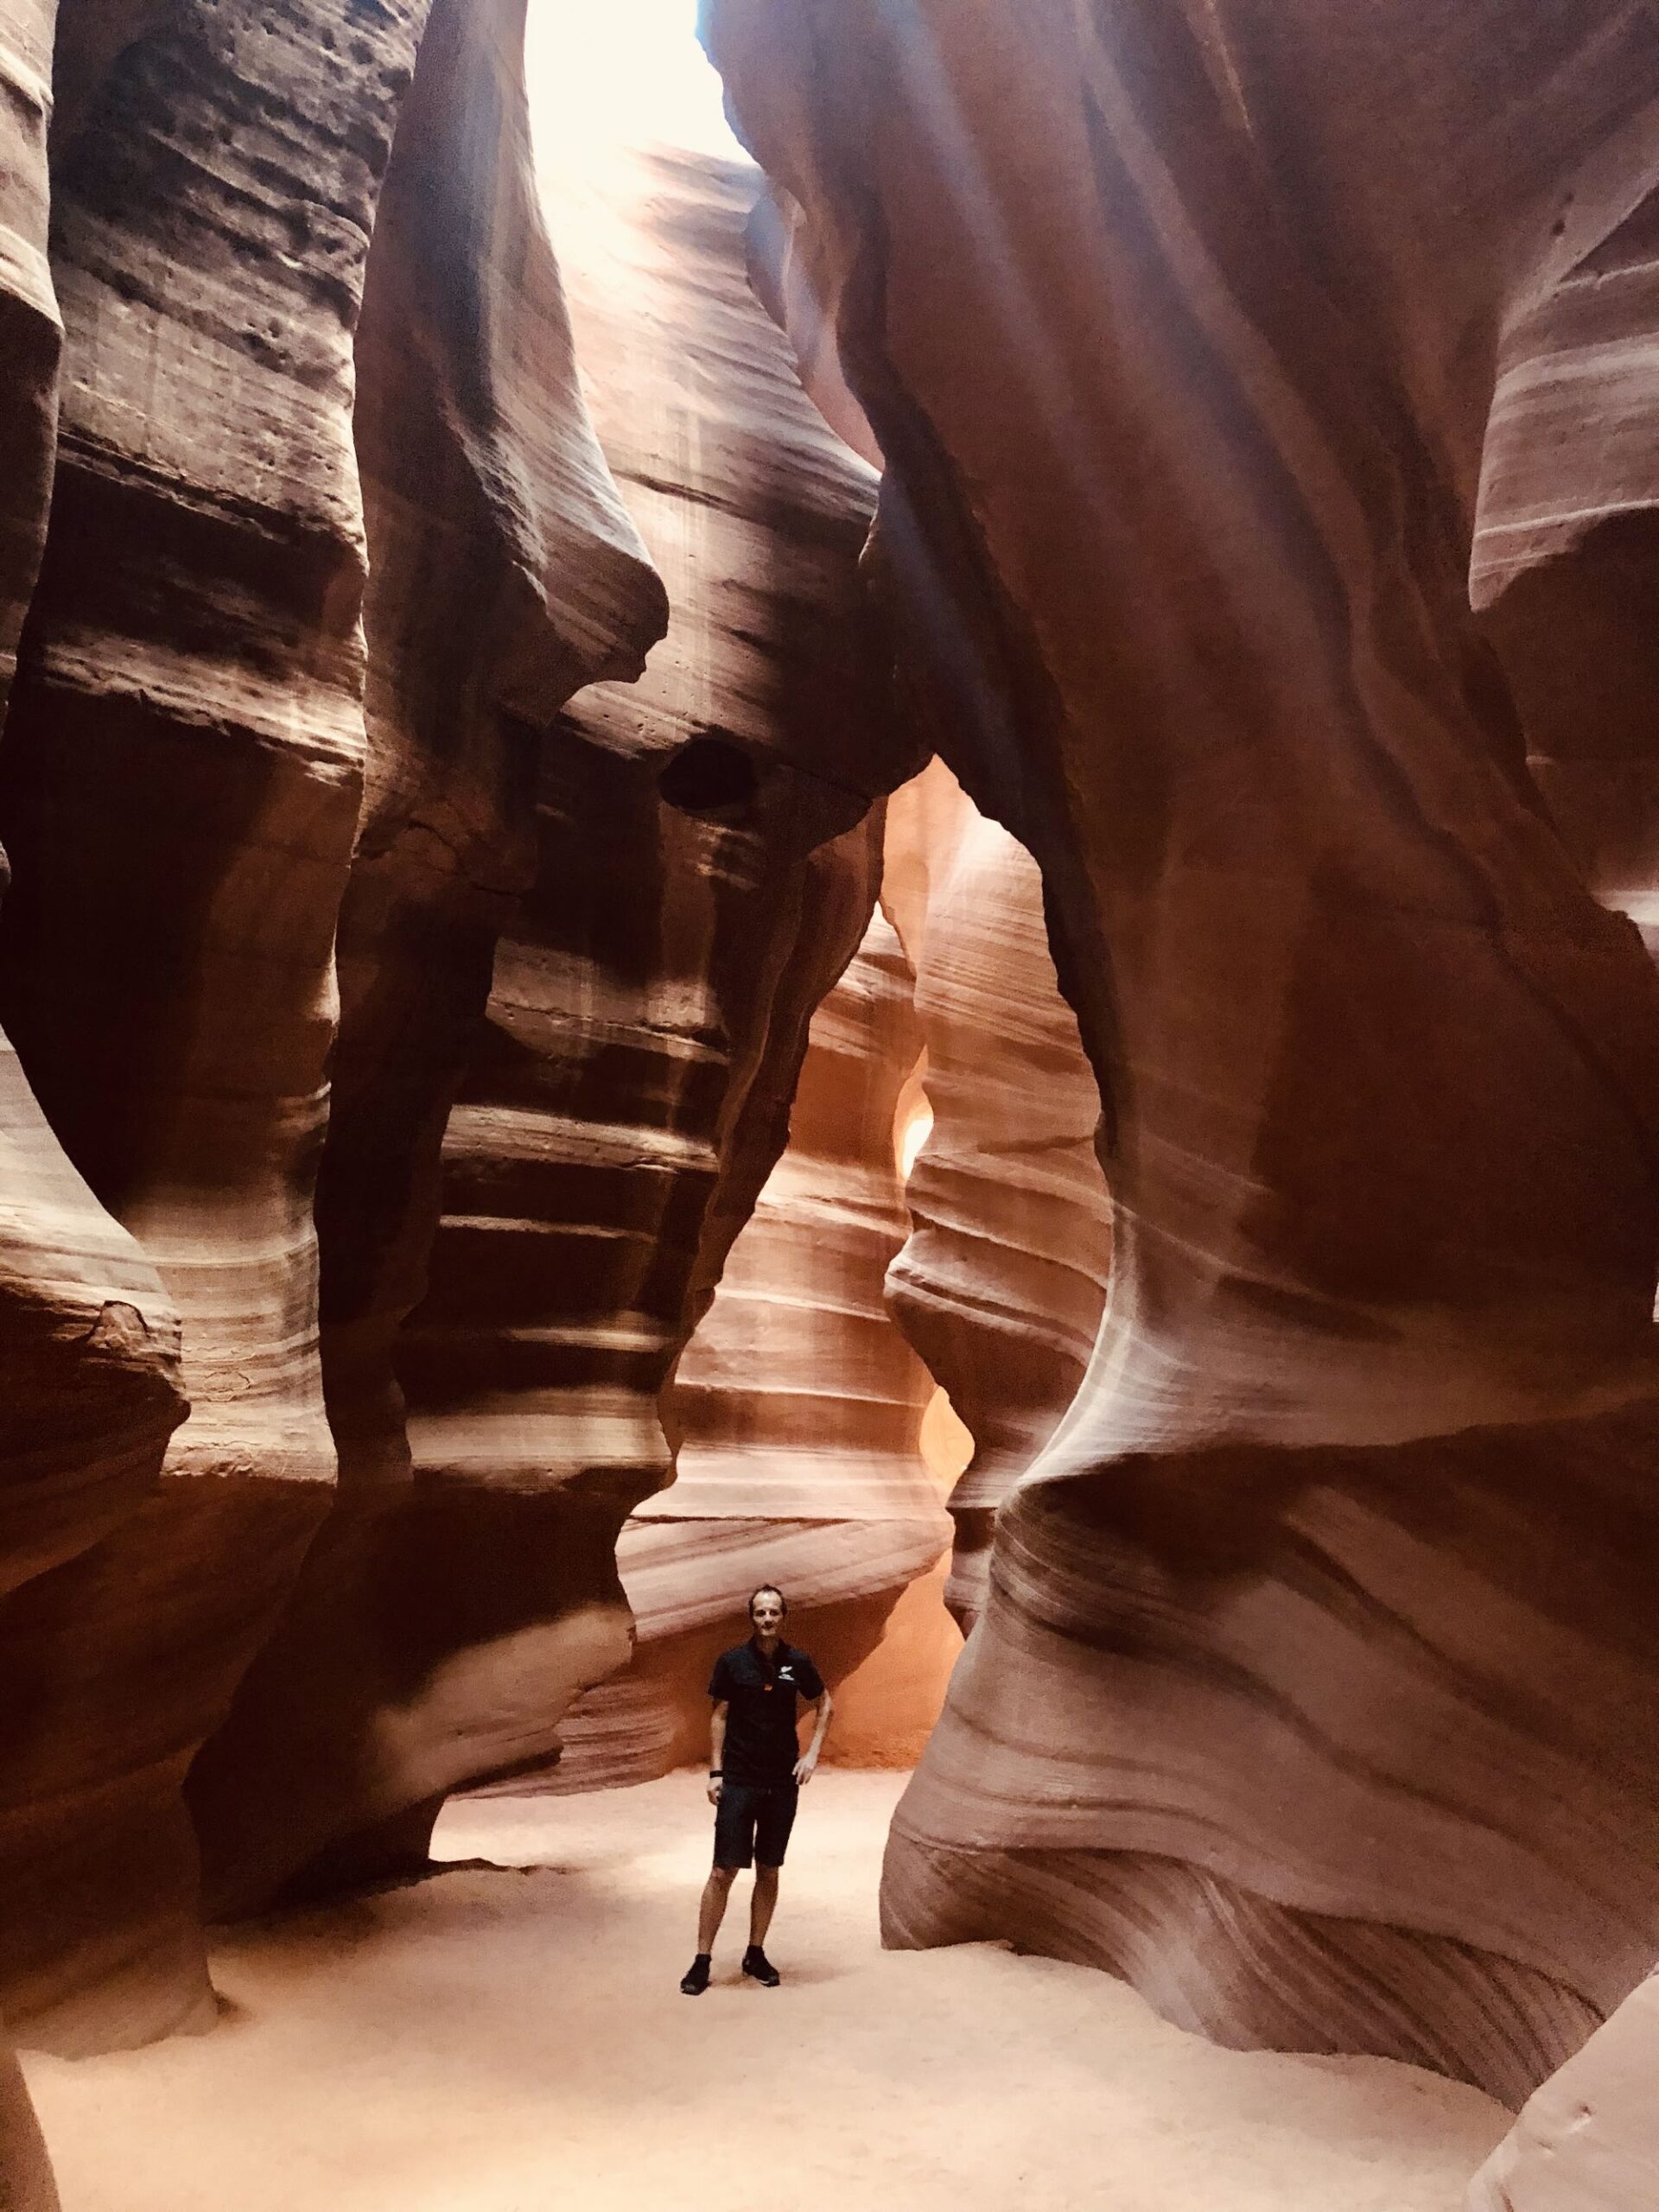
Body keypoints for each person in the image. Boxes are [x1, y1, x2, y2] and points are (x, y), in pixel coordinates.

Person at [679, 1585, 831, 1993]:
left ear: (784, 1616)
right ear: (752, 1618)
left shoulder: (797, 1662)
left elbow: (824, 1703)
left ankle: (755, 1951)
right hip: (741, 1780)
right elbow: (719, 1716)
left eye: (774, 1613)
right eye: (761, 1613)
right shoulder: (732, 1662)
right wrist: (716, 1772)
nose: (767, 1620)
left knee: (769, 1868)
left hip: (781, 1781)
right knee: (722, 1870)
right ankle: (702, 1959)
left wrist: (813, 1753)